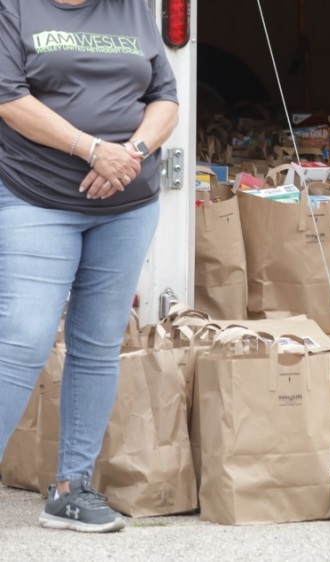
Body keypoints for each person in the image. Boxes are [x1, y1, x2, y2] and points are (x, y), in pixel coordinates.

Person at [0, 0, 178, 532]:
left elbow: (165, 99)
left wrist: (130, 153)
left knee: (98, 344)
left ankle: (70, 490)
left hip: (127, 201)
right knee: (23, 337)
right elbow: (9, 99)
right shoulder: (15, 7)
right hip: (36, 196)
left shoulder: (131, 8)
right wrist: (92, 149)